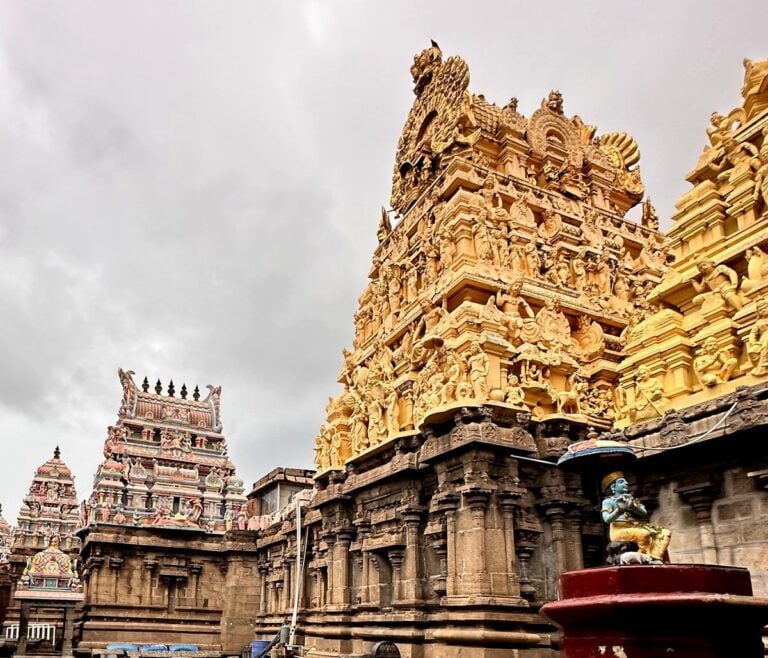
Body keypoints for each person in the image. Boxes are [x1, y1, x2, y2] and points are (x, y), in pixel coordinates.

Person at [601, 472, 670, 563]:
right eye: (621, 482)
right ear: (613, 487)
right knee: (644, 534)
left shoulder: (631, 499)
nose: (626, 483)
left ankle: (655, 557)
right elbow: (606, 519)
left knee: (665, 533)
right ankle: (646, 557)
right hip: (618, 530)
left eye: (626, 481)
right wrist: (619, 510)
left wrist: (633, 507)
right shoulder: (608, 501)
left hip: (634, 526)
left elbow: (644, 513)